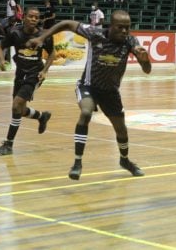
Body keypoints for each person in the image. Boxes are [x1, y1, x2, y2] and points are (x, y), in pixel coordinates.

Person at [27, 10, 151, 180]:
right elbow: (67, 24)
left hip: (110, 92)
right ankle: (77, 162)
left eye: (127, 28)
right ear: (111, 26)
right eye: (120, 27)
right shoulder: (95, 34)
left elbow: (147, 70)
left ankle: (124, 160)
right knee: (86, 112)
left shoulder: (130, 41)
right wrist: (42, 38)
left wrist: (145, 59)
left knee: (121, 130)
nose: (124, 31)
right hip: (88, 86)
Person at [0, 7, 55, 155]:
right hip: (20, 74)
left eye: (37, 17)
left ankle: (8, 144)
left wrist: (44, 71)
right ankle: (41, 116)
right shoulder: (15, 33)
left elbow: (52, 53)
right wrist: (2, 61)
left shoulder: (43, 35)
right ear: (24, 17)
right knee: (18, 110)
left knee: (16, 105)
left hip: (35, 75)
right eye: (31, 16)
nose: (34, 19)